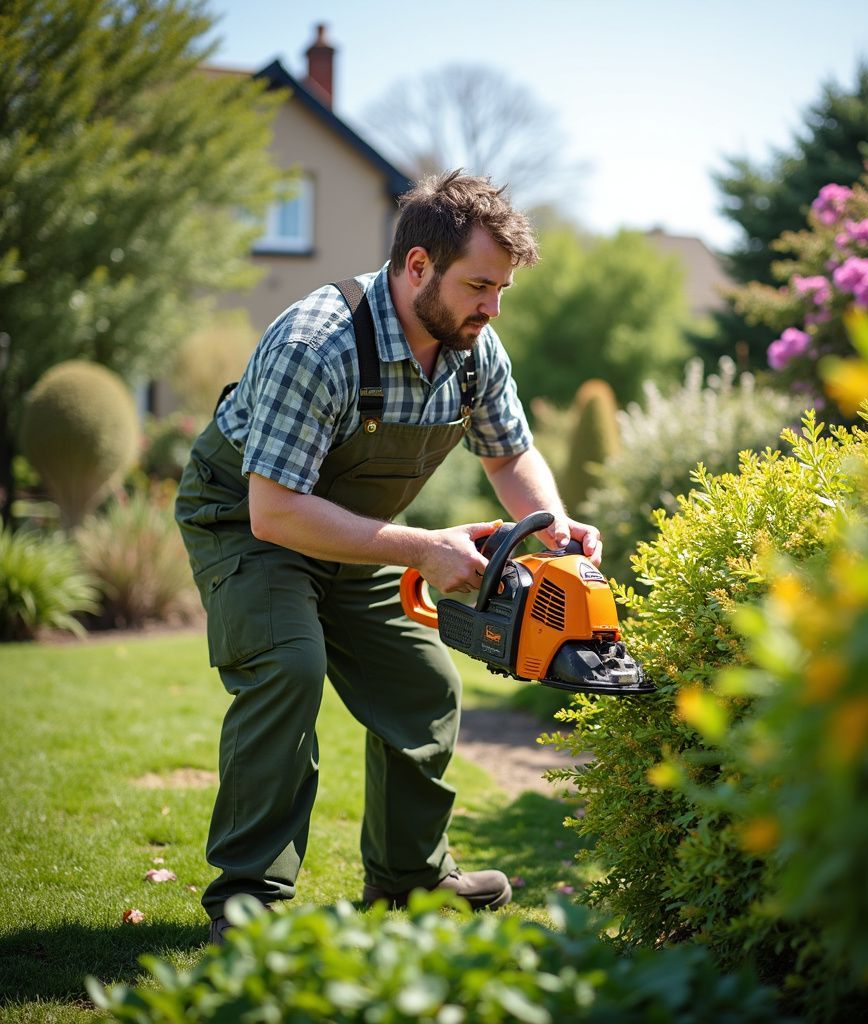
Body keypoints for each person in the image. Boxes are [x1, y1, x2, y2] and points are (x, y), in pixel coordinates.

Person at [174, 170, 602, 944]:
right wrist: (421, 548)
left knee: (423, 681)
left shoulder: (473, 349)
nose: (493, 307)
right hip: (246, 521)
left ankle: (409, 879)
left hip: (349, 530)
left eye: (502, 289)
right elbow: (274, 511)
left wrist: (554, 525)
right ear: (416, 267)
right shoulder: (318, 344)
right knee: (287, 666)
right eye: (479, 285)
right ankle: (248, 903)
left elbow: (509, 456)